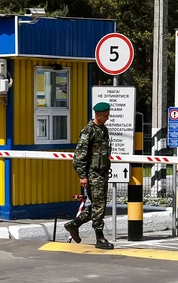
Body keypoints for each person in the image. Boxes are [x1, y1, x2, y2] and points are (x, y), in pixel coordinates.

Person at [64, 102, 114, 250]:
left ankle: (75, 224)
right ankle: (99, 238)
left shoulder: (103, 130)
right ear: (97, 115)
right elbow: (79, 157)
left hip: (102, 173)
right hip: (93, 174)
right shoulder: (88, 131)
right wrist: (83, 176)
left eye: (108, 115)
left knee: (99, 205)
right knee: (99, 206)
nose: (107, 118)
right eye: (105, 115)